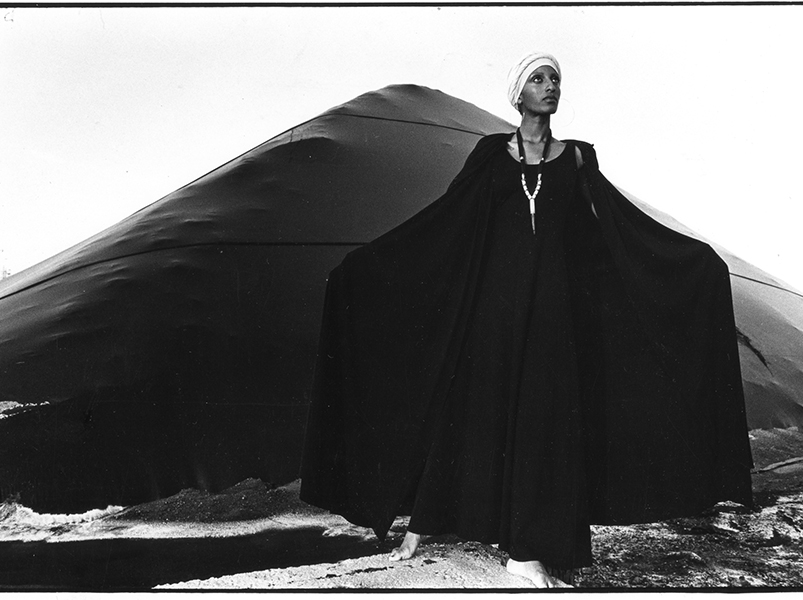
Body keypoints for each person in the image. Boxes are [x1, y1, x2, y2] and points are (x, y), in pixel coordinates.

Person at [300, 52, 754, 588]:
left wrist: (690, 262)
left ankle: (526, 546)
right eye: (538, 79)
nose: (549, 87)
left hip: (554, 315)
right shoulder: (491, 154)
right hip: (496, 311)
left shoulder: (578, 159)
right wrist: (365, 267)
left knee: (545, 422)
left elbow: (612, 227)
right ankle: (423, 525)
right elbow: (451, 219)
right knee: (470, 410)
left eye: (555, 79)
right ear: (518, 94)